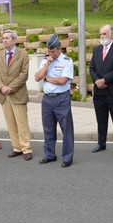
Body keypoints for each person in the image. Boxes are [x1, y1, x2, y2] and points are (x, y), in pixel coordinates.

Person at [34, 34, 74, 168]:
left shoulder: (67, 61)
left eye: (53, 51)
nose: (51, 54)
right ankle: (49, 155)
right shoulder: (45, 61)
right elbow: (37, 77)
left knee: (66, 129)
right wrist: (47, 64)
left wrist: (47, 78)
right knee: (48, 128)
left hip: (61, 98)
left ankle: (67, 157)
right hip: (47, 99)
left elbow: (63, 81)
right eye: (49, 51)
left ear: (59, 48)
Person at [0, 30, 33, 161]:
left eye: (7, 38)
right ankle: (17, 147)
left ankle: (26, 148)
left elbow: (24, 74)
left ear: (14, 40)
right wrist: (2, 87)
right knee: (10, 123)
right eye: (3, 38)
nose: (4, 40)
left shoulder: (23, 54)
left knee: (22, 123)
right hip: (4, 95)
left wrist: (11, 87)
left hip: (17, 94)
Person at [89, 24, 113, 155]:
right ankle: (101, 143)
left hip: (112, 91)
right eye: (100, 34)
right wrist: (96, 81)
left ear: (111, 34)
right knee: (101, 119)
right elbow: (92, 68)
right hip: (99, 91)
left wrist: (104, 80)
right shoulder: (97, 49)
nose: (102, 36)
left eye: (104, 34)